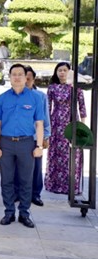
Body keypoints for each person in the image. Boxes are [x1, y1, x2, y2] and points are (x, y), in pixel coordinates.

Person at [0, 64, 44, 228]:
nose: (17, 77)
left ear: (26, 77)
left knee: (26, 180)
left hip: (26, 143)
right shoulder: (2, 98)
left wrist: (39, 146)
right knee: (7, 180)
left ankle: (24, 213)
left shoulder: (35, 98)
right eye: (13, 74)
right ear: (9, 77)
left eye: (20, 74)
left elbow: (39, 123)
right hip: (6, 143)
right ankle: (9, 212)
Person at [45, 62, 86, 195]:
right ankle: (54, 184)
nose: (62, 73)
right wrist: (47, 126)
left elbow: (82, 108)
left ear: (69, 72)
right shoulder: (52, 88)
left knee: (72, 154)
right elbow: (47, 107)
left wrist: (82, 127)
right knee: (55, 153)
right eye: (59, 70)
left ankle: (71, 185)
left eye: (64, 70)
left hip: (72, 122)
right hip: (56, 123)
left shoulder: (76, 88)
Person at [24, 66, 51, 206]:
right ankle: (18, 193)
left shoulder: (41, 96)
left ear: (33, 79)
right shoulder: (15, 95)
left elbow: (46, 117)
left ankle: (35, 194)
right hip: (20, 137)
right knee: (18, 167)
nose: (26, 81)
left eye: (29, 78)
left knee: (36, 167)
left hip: (36, 137)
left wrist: (46, 136)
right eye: (24, 78)